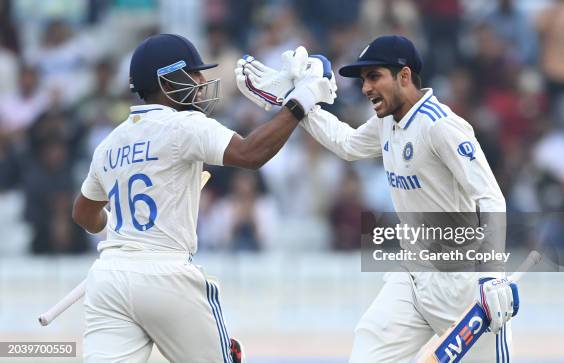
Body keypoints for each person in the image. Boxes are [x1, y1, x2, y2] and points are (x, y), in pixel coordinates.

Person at [236, 35, 519, 362]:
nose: (366, 88)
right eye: (364, 79)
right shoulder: (388, 121)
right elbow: (348, 144)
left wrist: (490, 275)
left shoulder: (441, 126)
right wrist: (298, 103)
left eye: (374, 77)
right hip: (412, 276)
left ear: (404, 76)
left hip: (461, 284)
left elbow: (490, 197)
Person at [71, 33, 335, 363]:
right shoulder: (185, 125)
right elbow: (251, 154)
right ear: (166, 81)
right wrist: (300, 103)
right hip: (166, 274)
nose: (201, 81)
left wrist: (120, 231)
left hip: (108, 278)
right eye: (193, 73)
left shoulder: (109, 143)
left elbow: (83, 214)